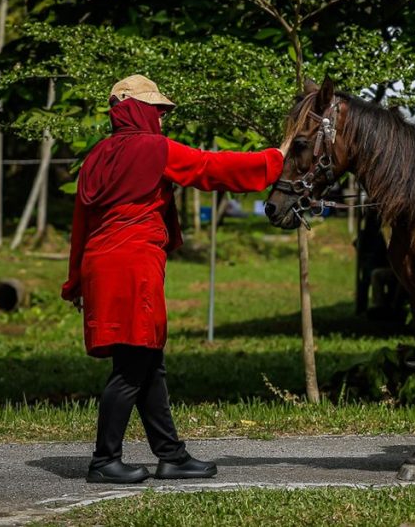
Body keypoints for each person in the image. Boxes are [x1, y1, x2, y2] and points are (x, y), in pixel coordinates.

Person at [62, 74, 289, 484]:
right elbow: (209, 167)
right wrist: (274, 159)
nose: (163, 120)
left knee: (147, 360)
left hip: (100, 264)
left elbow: (81, 222)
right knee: (132, 366)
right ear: (138, 110)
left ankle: (172, 455)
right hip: (133, 265)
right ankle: (104, 461)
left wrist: (76, 280)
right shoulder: (153, 148)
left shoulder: (96, 156)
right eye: (157, 111)